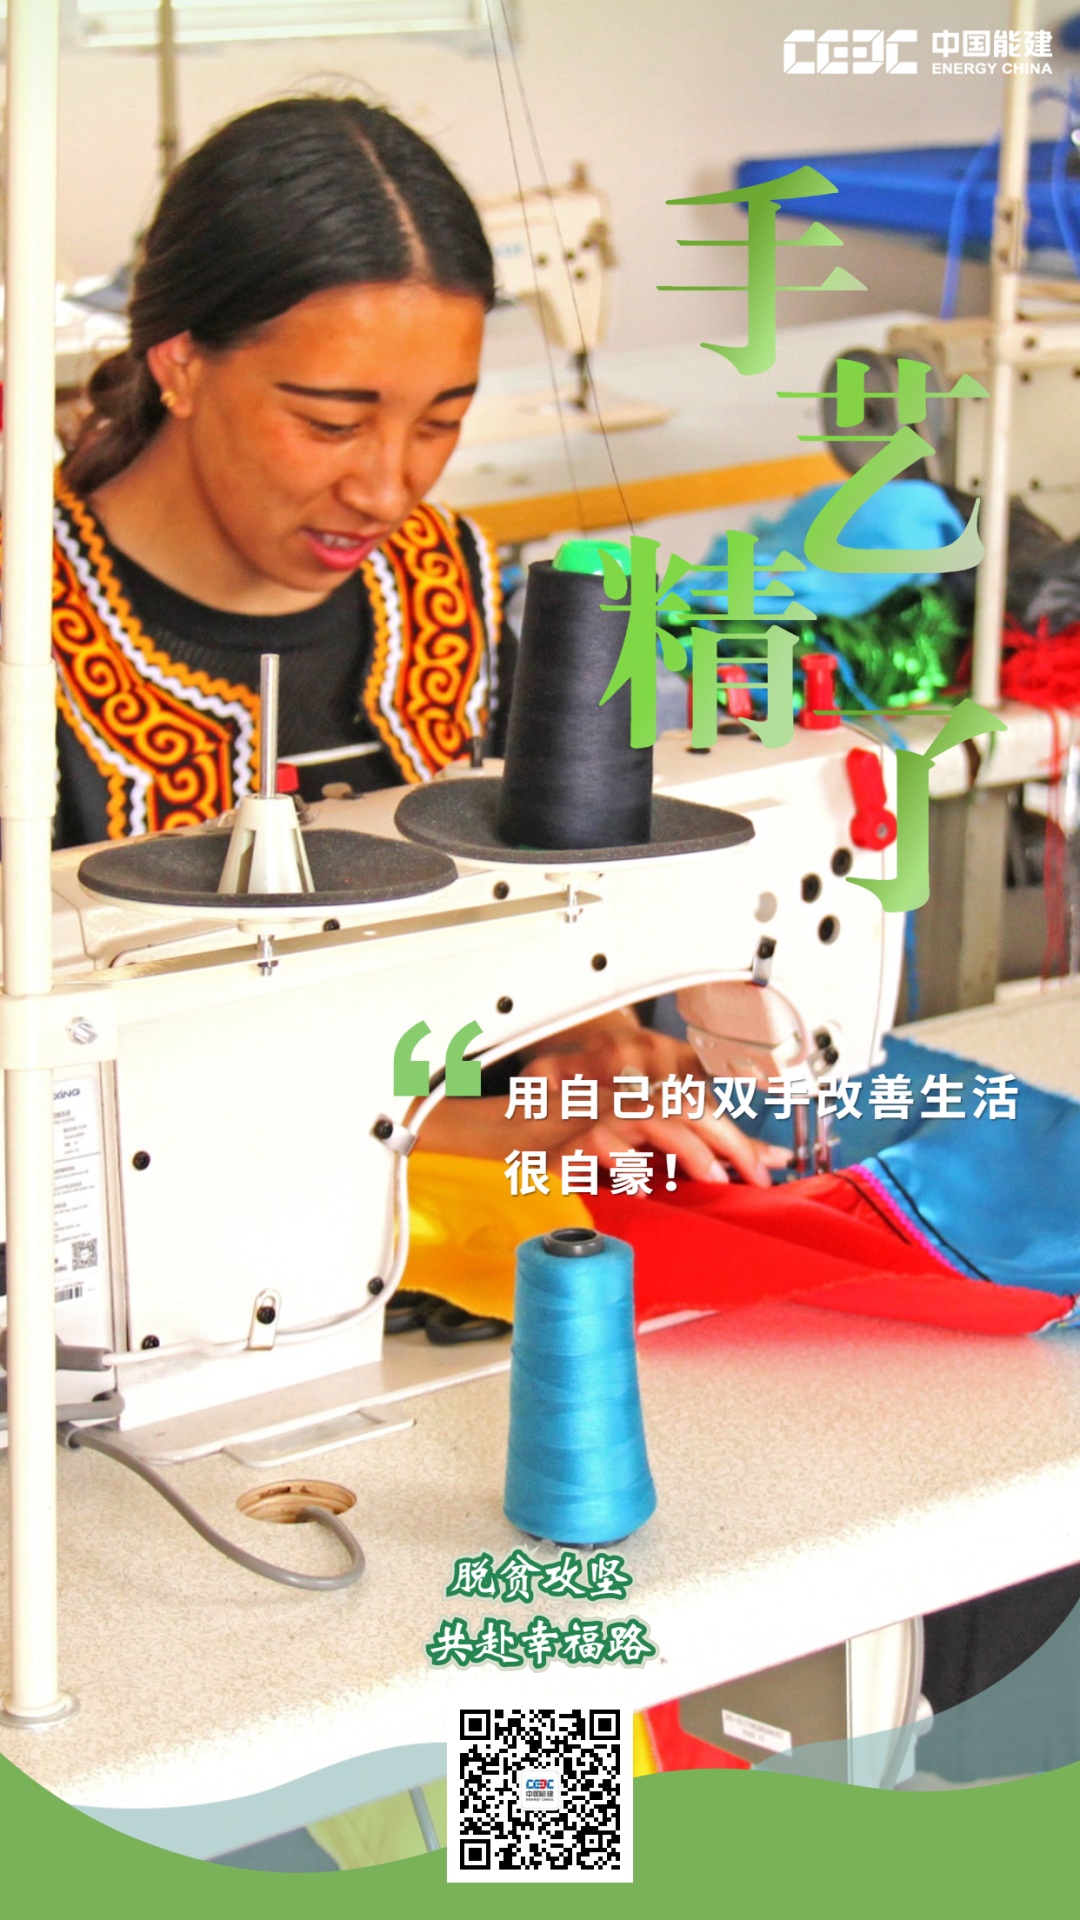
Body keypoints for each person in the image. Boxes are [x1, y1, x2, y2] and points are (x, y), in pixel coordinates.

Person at [52, 94, 781, 1187]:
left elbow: (550, 893)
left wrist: (590, 1029)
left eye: (442, 422)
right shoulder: (31, 629)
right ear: (180, 363)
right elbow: (68, 1085)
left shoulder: (445, 581)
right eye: (332, 423)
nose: (389, 487)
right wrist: (473, 1136)